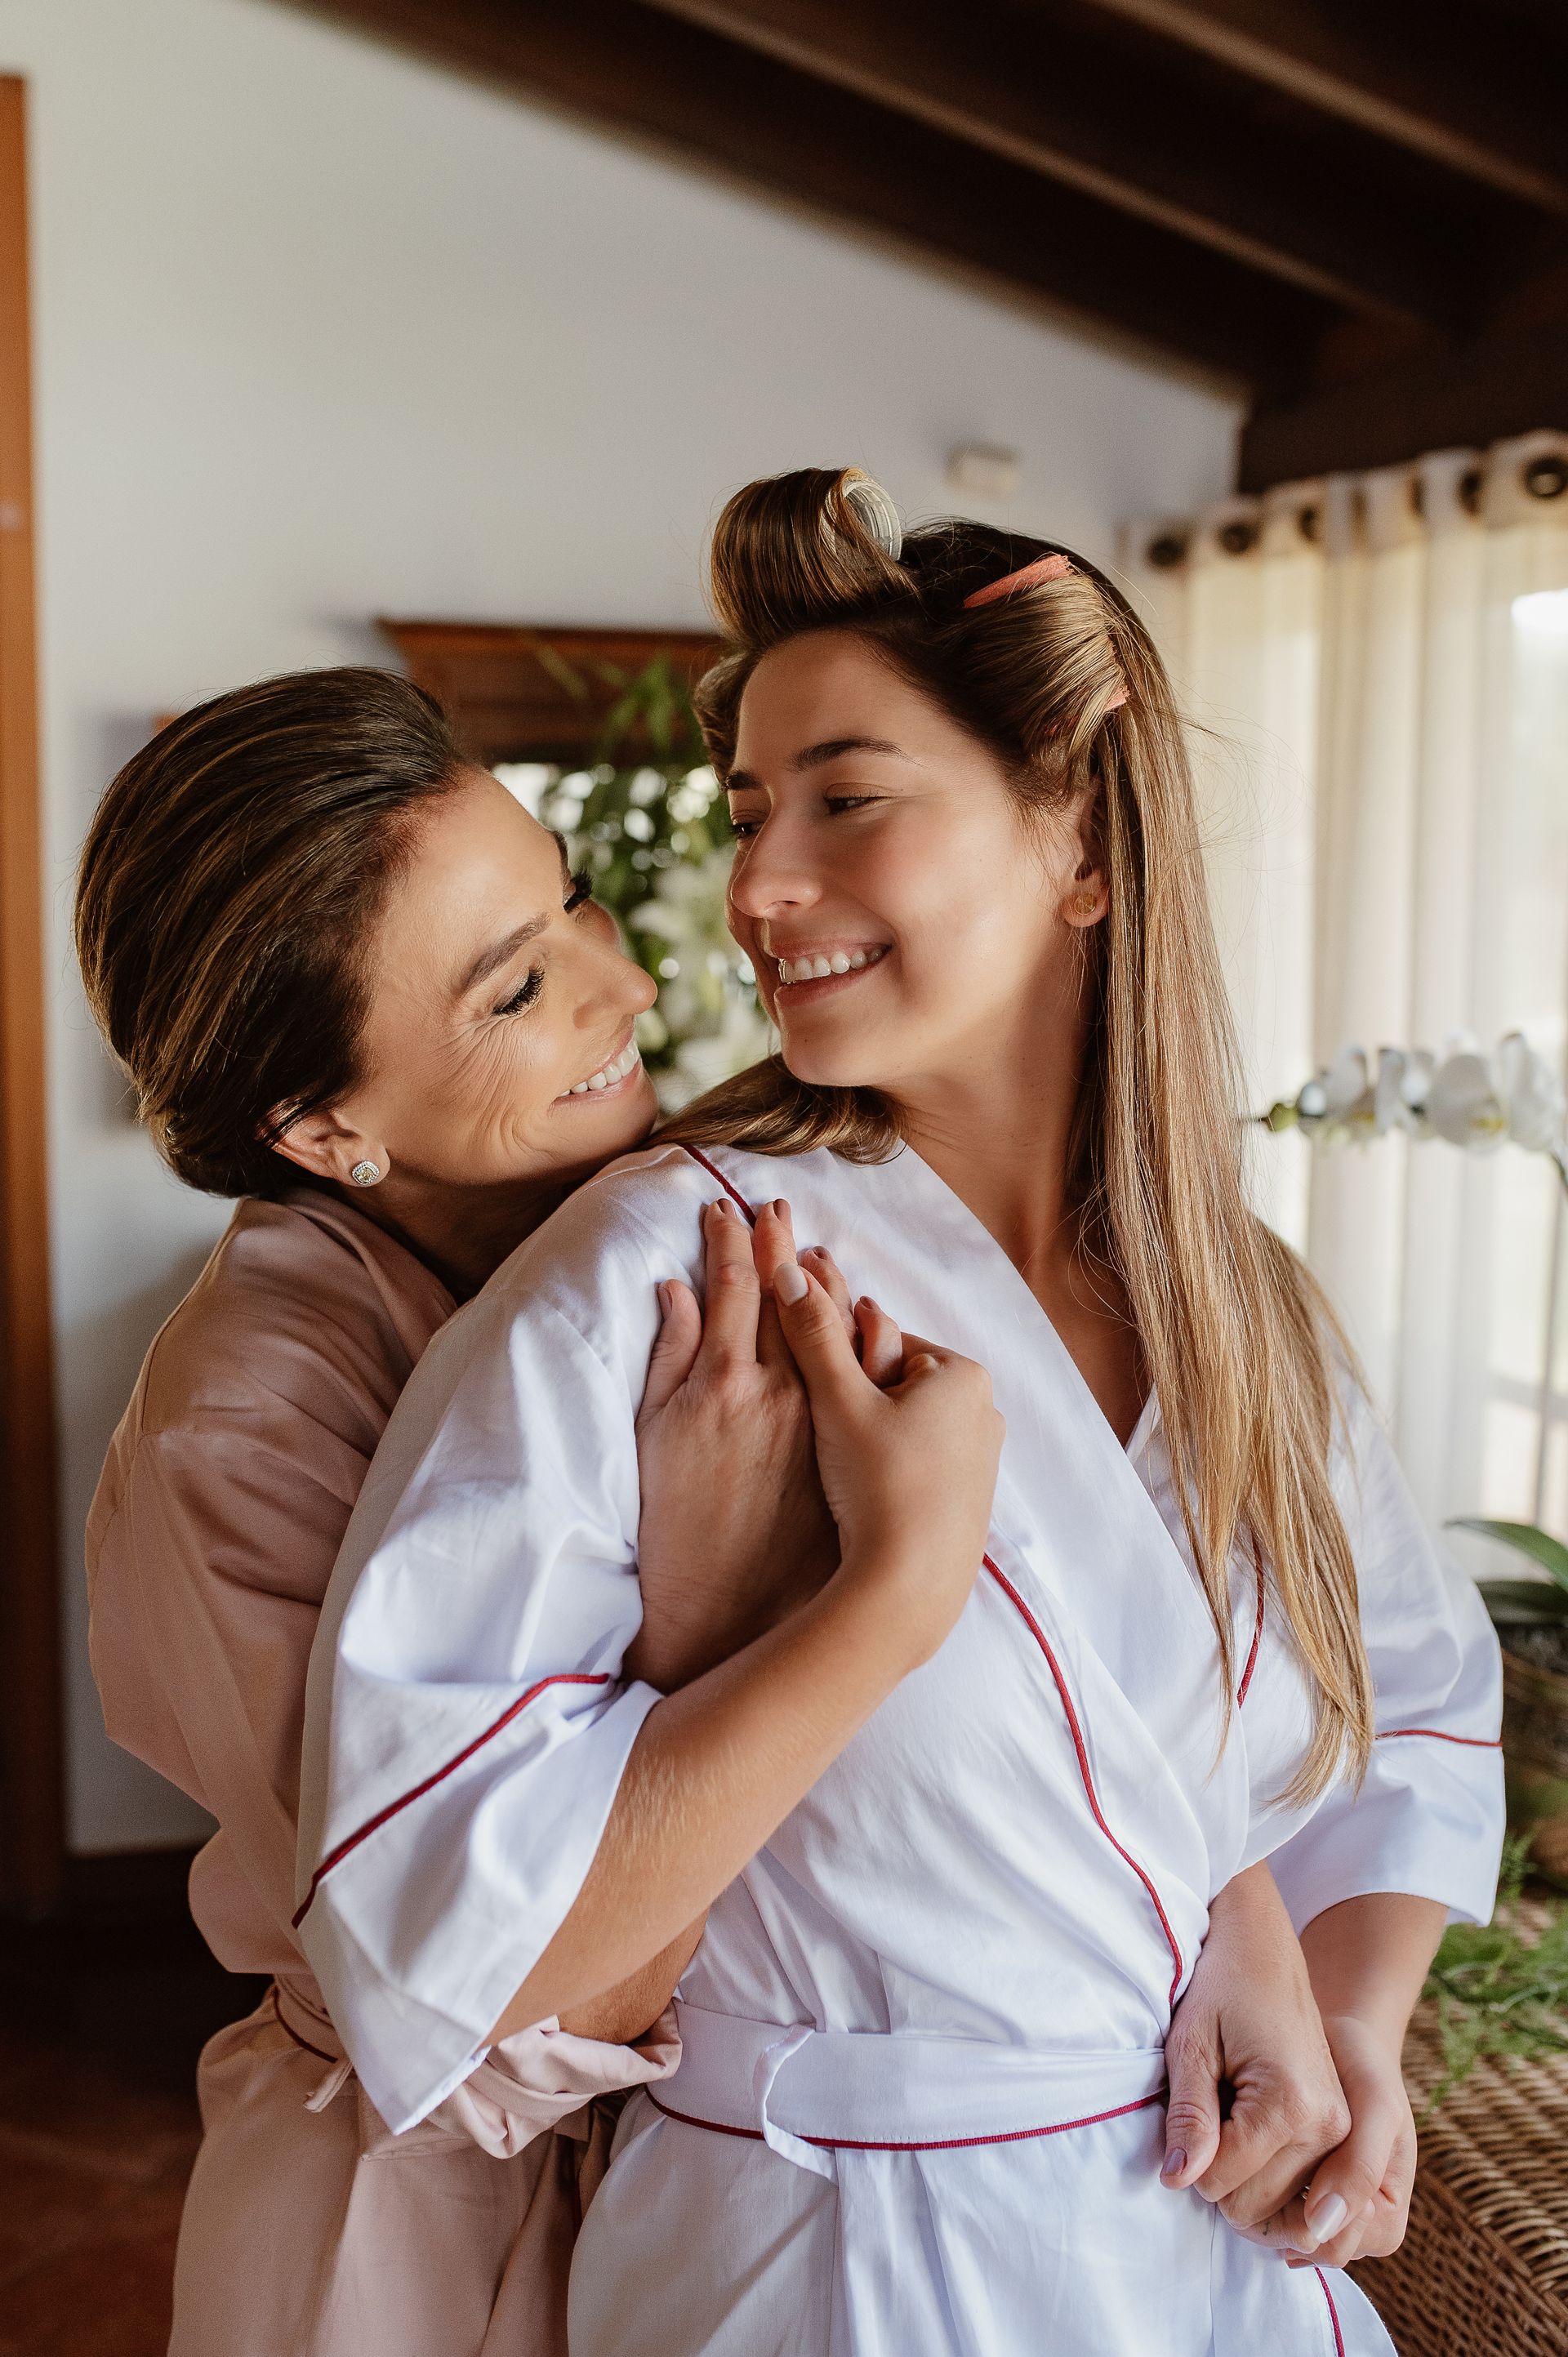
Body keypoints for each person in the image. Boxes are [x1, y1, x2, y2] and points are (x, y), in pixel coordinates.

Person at [296, 473, 1504, 2356]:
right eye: (748, 814)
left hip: (1222, 2280)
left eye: (844, 799)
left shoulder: (1244, 1309)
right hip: (830, 2265)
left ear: (1080, 835)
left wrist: (1347, 2026)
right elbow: (458, 1945)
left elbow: (1410, 1705)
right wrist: (879, 1598)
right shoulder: (670, 1277)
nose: (757, 889)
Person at [77, 668, 915, 2357]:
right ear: (322, 1125)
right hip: (424, 2232)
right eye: (518, 987)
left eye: (576, 901)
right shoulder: (244, 1428)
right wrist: (725, 1612)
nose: (632, 982)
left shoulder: (658, 1236)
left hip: (743, 2181)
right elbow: (507, 2009)